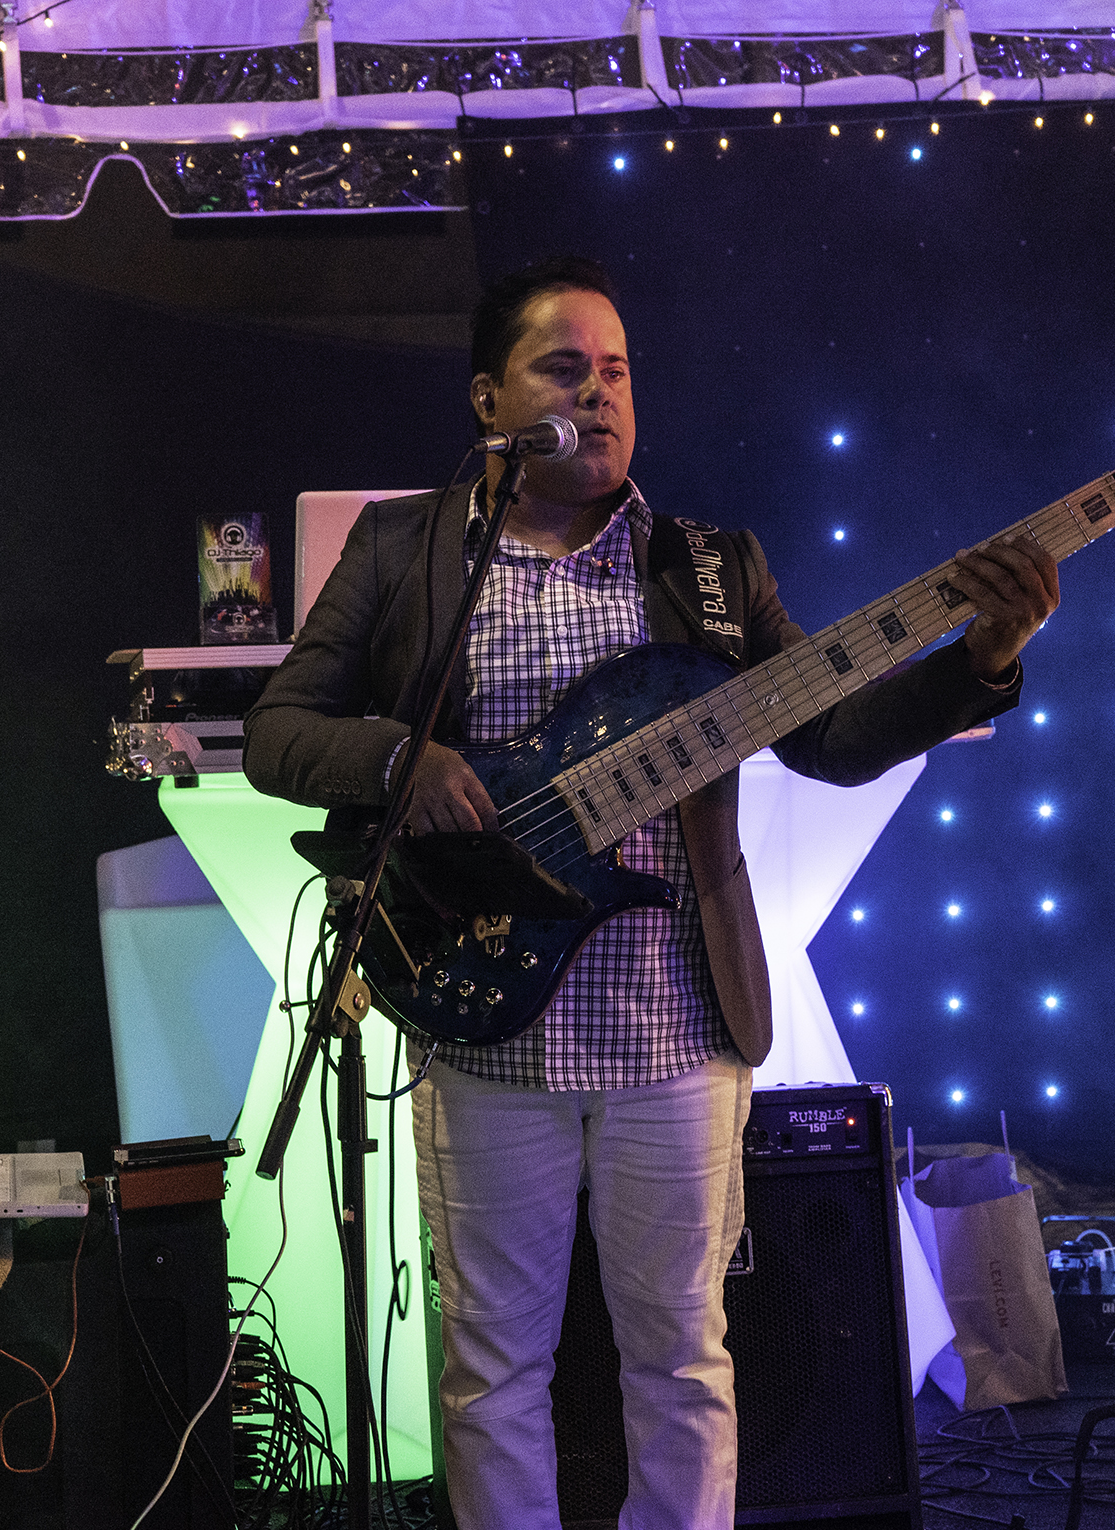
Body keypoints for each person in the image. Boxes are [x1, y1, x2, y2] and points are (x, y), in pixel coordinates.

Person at [242, 255, 1059, 1530]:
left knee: (682, 1358)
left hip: (673, 1024)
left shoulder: (711, 568)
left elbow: (828, 736)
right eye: (564, 368)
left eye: (616, 370)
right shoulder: (405, 547)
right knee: (491, 1369)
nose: (601, 392)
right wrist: (407, 759)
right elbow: (279, 733)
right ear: (488, 399)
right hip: (483, 1015)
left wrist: (982, 659)